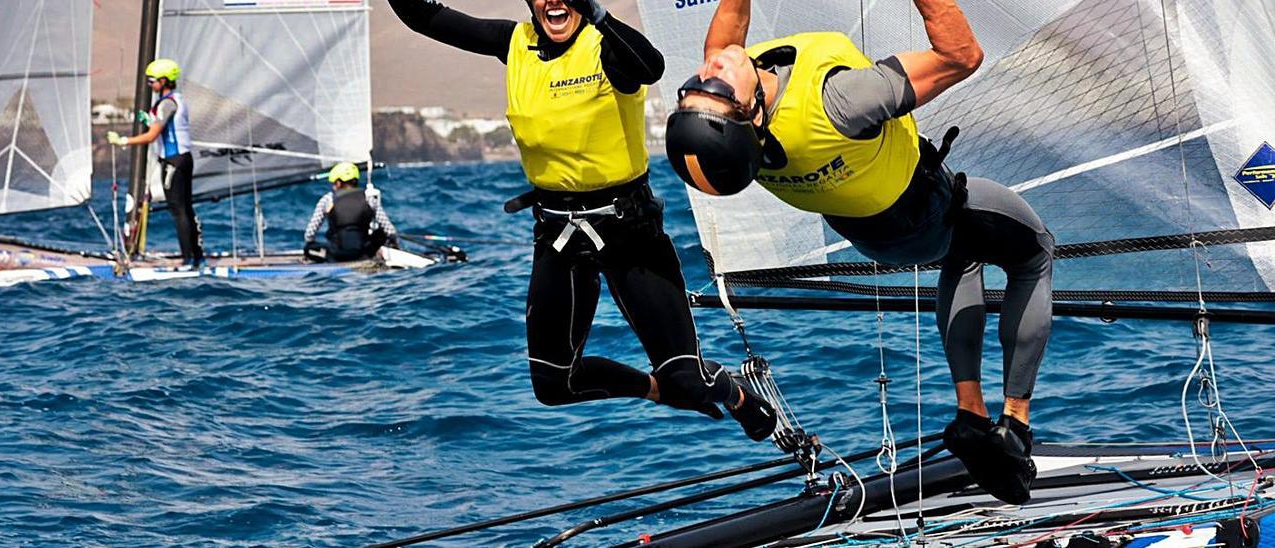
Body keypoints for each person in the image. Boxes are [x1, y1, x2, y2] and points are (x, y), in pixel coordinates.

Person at [664, 0, 1054, 503]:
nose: (710, 70)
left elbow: (723, 47)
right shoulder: (841, 102)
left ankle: (971, 415)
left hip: (870, 234)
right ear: (753, 115)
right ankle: (1015, 421)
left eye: (698, 86)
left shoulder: (741, 146)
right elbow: (962, 56)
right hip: (924, 213)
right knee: (1034, 252)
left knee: (965, 255)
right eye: (714, 90)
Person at [387, 0, 776, 440]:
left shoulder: (606, 45)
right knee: (555, 385)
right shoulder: (513, 42)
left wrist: (598, 15)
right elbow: (422, 16)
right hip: (558, 235)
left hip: (630, 233)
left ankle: (736, 394)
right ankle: (659, 390)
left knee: (689, 381)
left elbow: (650, 67)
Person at [108, 58, 204, 269]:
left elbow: (152, 136)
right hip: (182, 159)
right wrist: (148, 119)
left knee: (179, 210)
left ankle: (188, 260)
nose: (149, 84)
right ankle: (196, 257)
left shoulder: (167, 103)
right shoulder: (174, 100)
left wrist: (124, 141)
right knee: (185, 209)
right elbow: (164, 127)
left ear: (164, 80)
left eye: (152, 80)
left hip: (174, 162)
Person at [302, 162, 399, 262]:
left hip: (337, 254)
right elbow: (390, 231)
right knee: (380, 234)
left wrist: (310, 243)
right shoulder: (369, 198)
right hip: (363, 252)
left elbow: (309, 234)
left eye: (334, 183)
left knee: (310, 248)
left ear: (339, 183)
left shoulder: (327, 199)